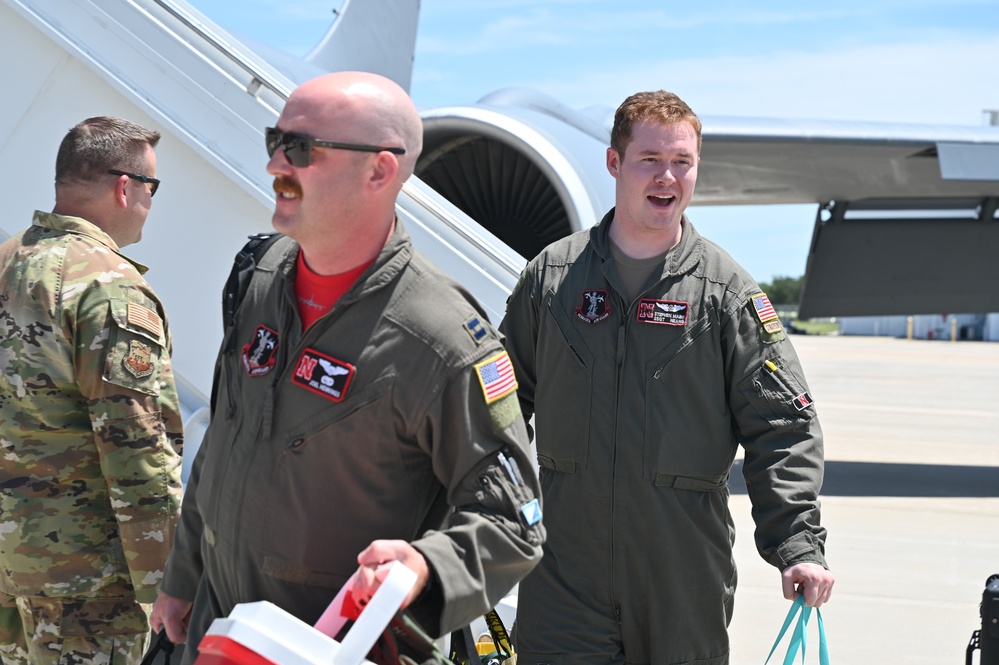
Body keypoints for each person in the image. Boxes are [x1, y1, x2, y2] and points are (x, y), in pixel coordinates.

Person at [150, 71, 544, 664]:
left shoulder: (440, 338)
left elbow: (515, 520)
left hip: (330, 649)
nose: (275, 166)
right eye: (274, 141)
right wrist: (183, 576)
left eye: (301, 149)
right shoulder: (259, 276)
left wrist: (424, 566)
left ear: (379, 171)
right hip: (218, 634)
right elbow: (227, 438)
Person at [500, 90, 835, 665]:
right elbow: (497, 406)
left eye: (682, 162)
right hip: (564, 573)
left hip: (682, 577)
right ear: (615, 164)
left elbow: (782, 423)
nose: (668, 177)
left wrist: (798, 545)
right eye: (650, 160)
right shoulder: (552, 280)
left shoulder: (726, 294)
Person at [0, 116, 183, 663]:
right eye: (153, 187)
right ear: (124, 187)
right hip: (87, 590)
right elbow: (138, 454)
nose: (151, 201)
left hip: (11, 567)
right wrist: (168, 587)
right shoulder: (107, 288)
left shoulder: (8, 260)